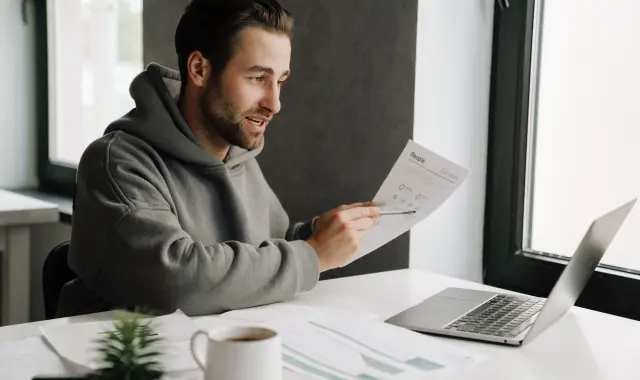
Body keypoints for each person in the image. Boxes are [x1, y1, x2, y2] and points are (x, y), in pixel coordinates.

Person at [56, 0, 380, 318]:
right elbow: (176, 282)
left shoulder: (238, 155)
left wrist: (320, 234)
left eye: (280, 81)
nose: (274, 103)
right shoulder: (117, 164)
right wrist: (312, 254)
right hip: (129, 363)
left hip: (217, 353)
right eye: (257, 78)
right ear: (199, 69)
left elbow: (269, 249)